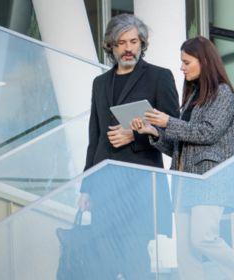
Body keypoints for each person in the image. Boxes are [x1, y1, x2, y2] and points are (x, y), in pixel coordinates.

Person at [131, 36, 234, 280]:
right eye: (181, 62)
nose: (182, 67)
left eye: (186, 62)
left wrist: (169, 121)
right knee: (185, 253)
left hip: (211, 179)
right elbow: (181, 146)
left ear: (204, 61)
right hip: (184, 181)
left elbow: (208, 133)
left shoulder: (223, 94)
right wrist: (154, 133)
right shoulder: (192, 97)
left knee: (204, 238)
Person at [78, 13, 180, 279]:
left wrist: (133, 136)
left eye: (134, 41)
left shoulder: (160, 77)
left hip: (140, 183)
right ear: (111, 46)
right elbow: (95, 136)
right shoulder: (99, 83)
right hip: (104, 184)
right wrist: (86, 187)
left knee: (135, 257)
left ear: (141, 43)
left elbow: (173, 131)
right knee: (105, 259)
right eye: (122, 42)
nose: (128, 48)